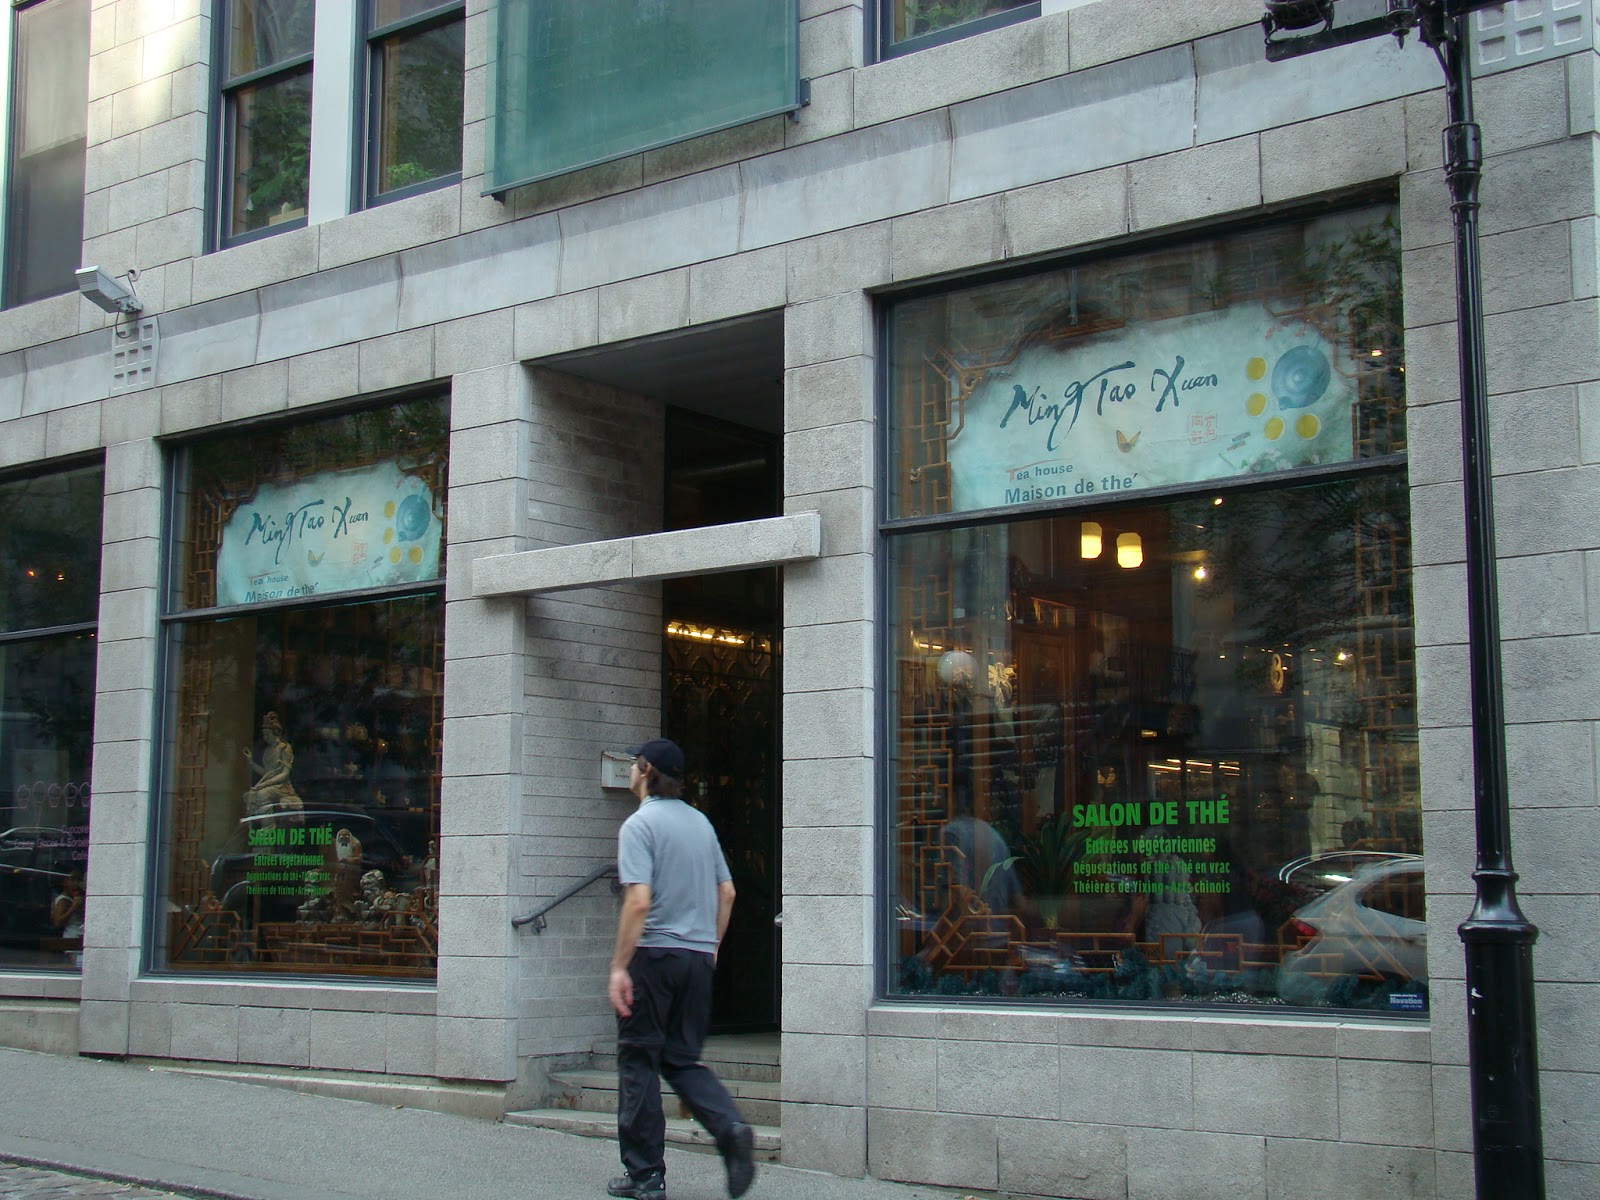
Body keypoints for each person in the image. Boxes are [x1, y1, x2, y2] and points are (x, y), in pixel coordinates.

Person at [606, 737, 755, 1200]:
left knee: (638, 1060)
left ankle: (646, 1175)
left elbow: (638, 900)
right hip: (696, 958)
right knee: (681, 1059)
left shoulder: (639, 825)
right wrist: (711, 947)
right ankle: (730, 1128)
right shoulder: (700, 823)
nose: (632, 769)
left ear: (647, 770)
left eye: (635, 763)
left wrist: (619, 966)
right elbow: (727, 892)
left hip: (653, 956)